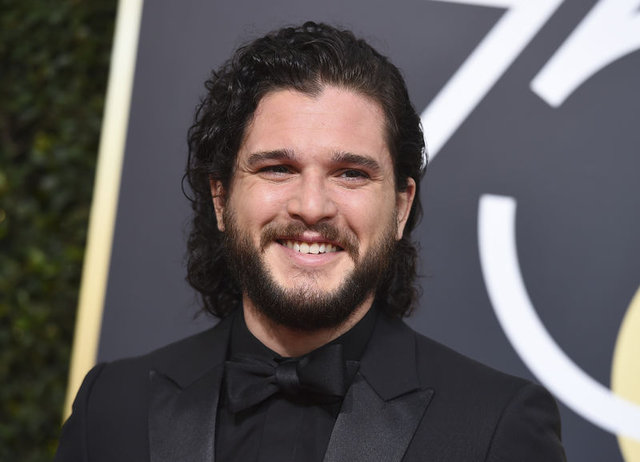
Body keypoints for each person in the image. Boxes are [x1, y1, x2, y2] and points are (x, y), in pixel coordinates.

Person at [55, 22, 566, 461]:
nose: (312, 206)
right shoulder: (111, 408)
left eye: (351, 174)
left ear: (401, 208)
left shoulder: (497, 427)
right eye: (278, 168)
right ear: (221, 198)